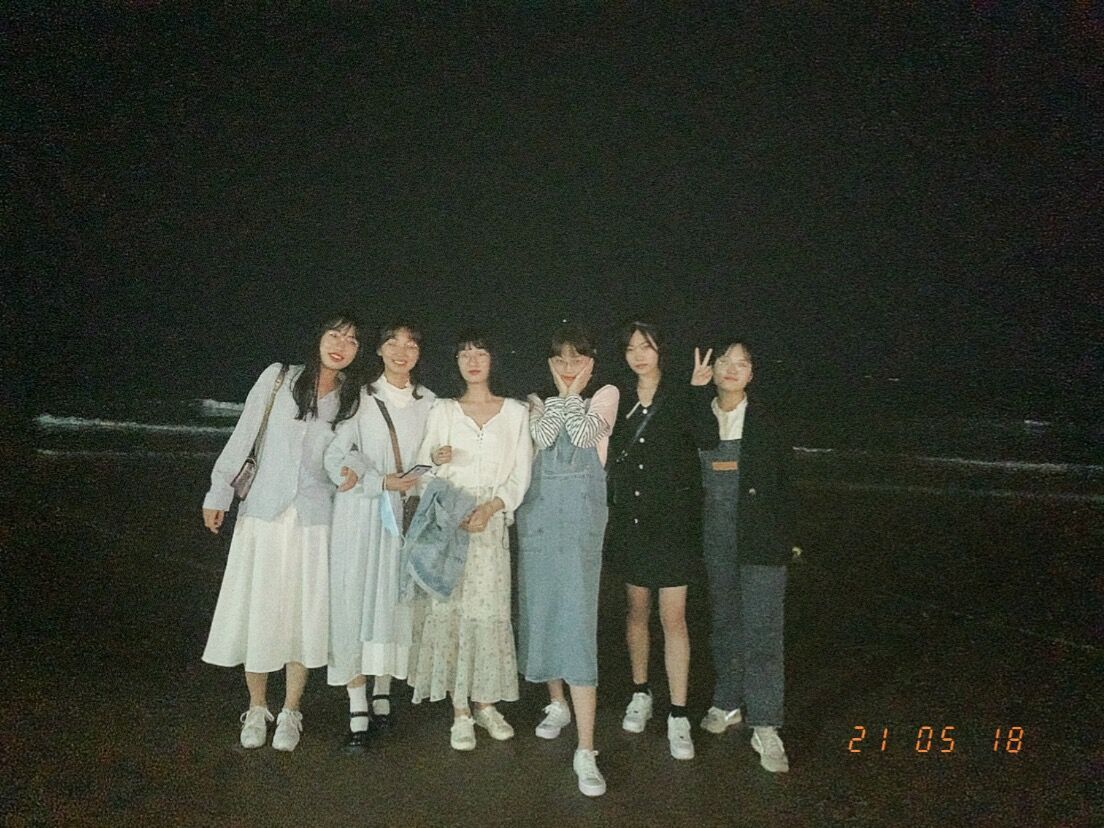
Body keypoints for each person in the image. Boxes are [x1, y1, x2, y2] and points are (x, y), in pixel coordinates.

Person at [201, 312, 362, 752]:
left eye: (351, 340)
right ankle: (257, 707)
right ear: (319, 338)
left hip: (314, 520)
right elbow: (244, 435)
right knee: (259, 608)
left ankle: (291, 709)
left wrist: (351, 469)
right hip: (263, 514)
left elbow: (348, 453)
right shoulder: (279, 377)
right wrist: (218, 492)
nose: (341, 345)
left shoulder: (351, 398)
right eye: (335, 335)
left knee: (302, 614)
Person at [407, 330, 533, 750]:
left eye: (480, 353)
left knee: (489, 611)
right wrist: (435, 461)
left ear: (493, 359)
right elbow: (423, 473)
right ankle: (460, 710)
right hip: (450, 524)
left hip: (490, 524)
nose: (473, 361)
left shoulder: (515, 412)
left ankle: (486, 703)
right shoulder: (443, 410)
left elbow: (520, 474)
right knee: (452, 611)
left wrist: (492, 507)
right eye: (464, 354)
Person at [517, 324, 619, 797]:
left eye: (578, 359)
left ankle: (586, 748)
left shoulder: (605, 397)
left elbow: (580, 436)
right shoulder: (535, 403)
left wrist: (571, 394)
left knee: (577, 623)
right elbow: (541, 438)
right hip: (539, 524)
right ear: (549, 363)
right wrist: (557, 397)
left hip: (579, 527)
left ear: (592, 363)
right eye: (560, 359)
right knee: (543, 611)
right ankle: (556, 702)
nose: (569, 366)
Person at [324, 322, 435, 753]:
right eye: (393, 343)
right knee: (353, 601)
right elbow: (337, 453)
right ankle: (357, 703)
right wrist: (374, 479)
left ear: (419, 353)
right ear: (380, 350)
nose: (401, 352)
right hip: (361, 515)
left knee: (393, 601)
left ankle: (383, 687)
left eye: (411, 345)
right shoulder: (360, 397)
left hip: (405, 518)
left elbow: (436, 459)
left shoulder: (430, 403)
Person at [690, 339, 797, 773]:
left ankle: (766, 723)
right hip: (715, 536)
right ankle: (728, 701)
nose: (731, 369)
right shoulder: (701, 415)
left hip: (760, 537)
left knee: (763, 630)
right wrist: (695, 392)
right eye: (724, 361)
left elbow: (786, 483)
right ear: (712, 369)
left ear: (752, 373)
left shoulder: (768, 421)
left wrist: (788, 539)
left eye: (741, 363)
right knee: (724, 622)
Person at [606, 321, 699, 760]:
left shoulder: (680, 394)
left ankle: (678, 713)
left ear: (661, 350)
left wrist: (699, 392)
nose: (639, 355)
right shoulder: (617, 397)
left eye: (646, 347)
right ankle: (640, 692)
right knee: (637, 610)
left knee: (673, 617)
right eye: (631, 349)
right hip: (632, 522)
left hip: (674, 524)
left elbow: (707, 437)